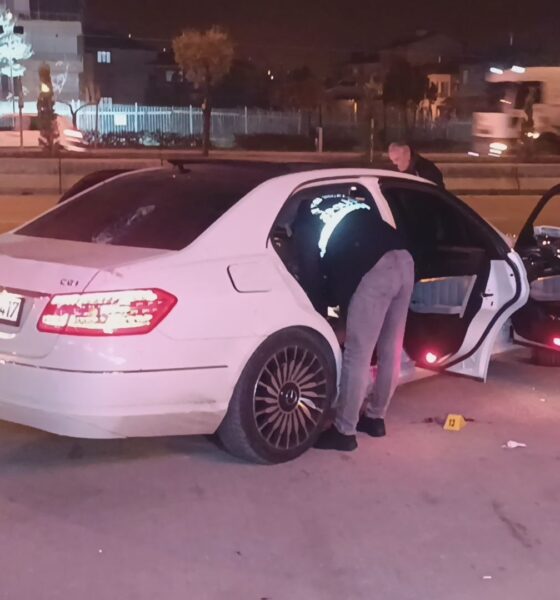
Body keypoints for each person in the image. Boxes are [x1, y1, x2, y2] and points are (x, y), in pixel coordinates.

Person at [292, 186, 414, 452]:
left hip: (374, 271)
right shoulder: (342, 200)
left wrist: (323, 316)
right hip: (404, 259)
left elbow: (312, 278)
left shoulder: (303, 223)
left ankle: (344, 431)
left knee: (357, 354)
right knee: (391, 348)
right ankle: (376, 419)